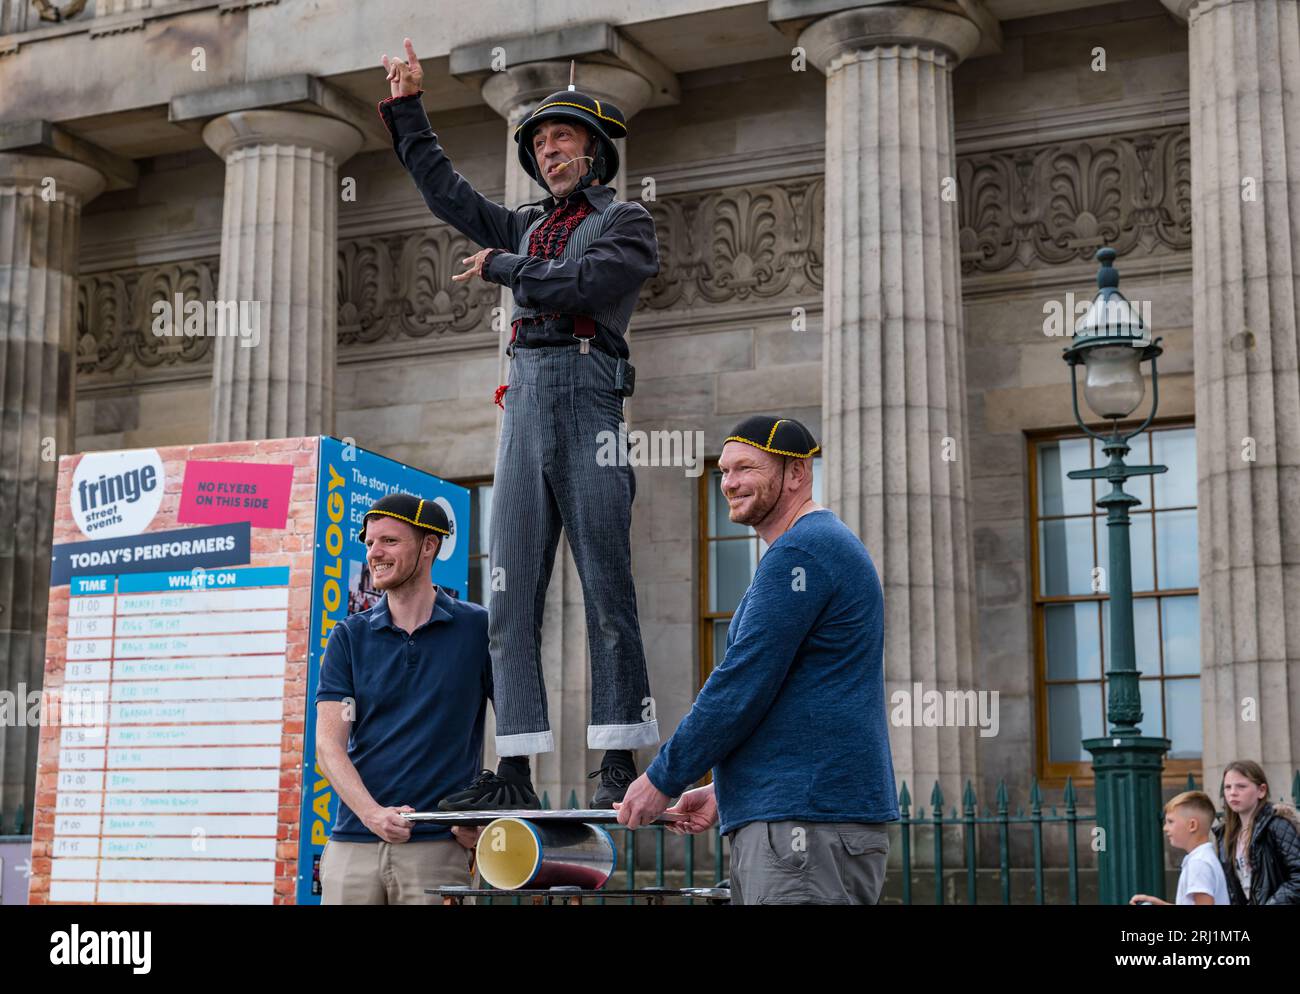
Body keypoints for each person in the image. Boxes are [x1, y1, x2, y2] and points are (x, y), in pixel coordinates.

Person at [378, 39, 661, 809]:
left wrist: (506, 269)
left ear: (594, 150)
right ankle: (516, 767)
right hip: (526, 400)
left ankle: (616, 759)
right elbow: (449, 196)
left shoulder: (626, 221)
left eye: (561, 138)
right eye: (539, 143)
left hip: (590, 394)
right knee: (508, 599)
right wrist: (409, 111)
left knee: (608, 590)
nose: (548, 150)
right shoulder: (525, 225)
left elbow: (584, 282)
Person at [615, 416, 899, 905]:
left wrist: (662, 777)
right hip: (807, 820)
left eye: (745, 468)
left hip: (802, 829)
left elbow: (741, 683)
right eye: (723, 471)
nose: (729, 483)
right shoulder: (815, 549)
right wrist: (727, 791)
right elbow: (797, 698)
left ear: (797, 473)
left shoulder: (802, 553)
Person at [315, 493, 488, 904]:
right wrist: (372, 814)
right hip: (352, 845)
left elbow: (520, 730)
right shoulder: (349, 637)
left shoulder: (478, 628)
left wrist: (486, 817)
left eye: (389, 541)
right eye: (371, 543)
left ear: (429, 546)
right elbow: (328, 746)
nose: (375, 552)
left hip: (438, 847)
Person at [1213, 759, 1300, 905]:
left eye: (1241, 786)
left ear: (1261, 790)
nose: (1232, 793)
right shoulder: (1225, 834)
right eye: (1228, 787)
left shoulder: (1277, 825)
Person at [1129, 790, 1229, 906]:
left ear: (1192, 825)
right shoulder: (1202, 858)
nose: (1165, 828)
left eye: (1170, 822)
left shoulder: (1198, 863)